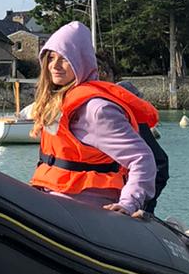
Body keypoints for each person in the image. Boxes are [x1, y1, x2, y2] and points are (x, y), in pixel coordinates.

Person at [30, 21, 157, 217]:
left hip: (87, 207)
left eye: (64, 59)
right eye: (51, 58)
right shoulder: (57, 103)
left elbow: (142, 158)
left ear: (80, 61)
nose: (55, 66)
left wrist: (128, 203)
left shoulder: (97, 110)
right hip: (53, 197)